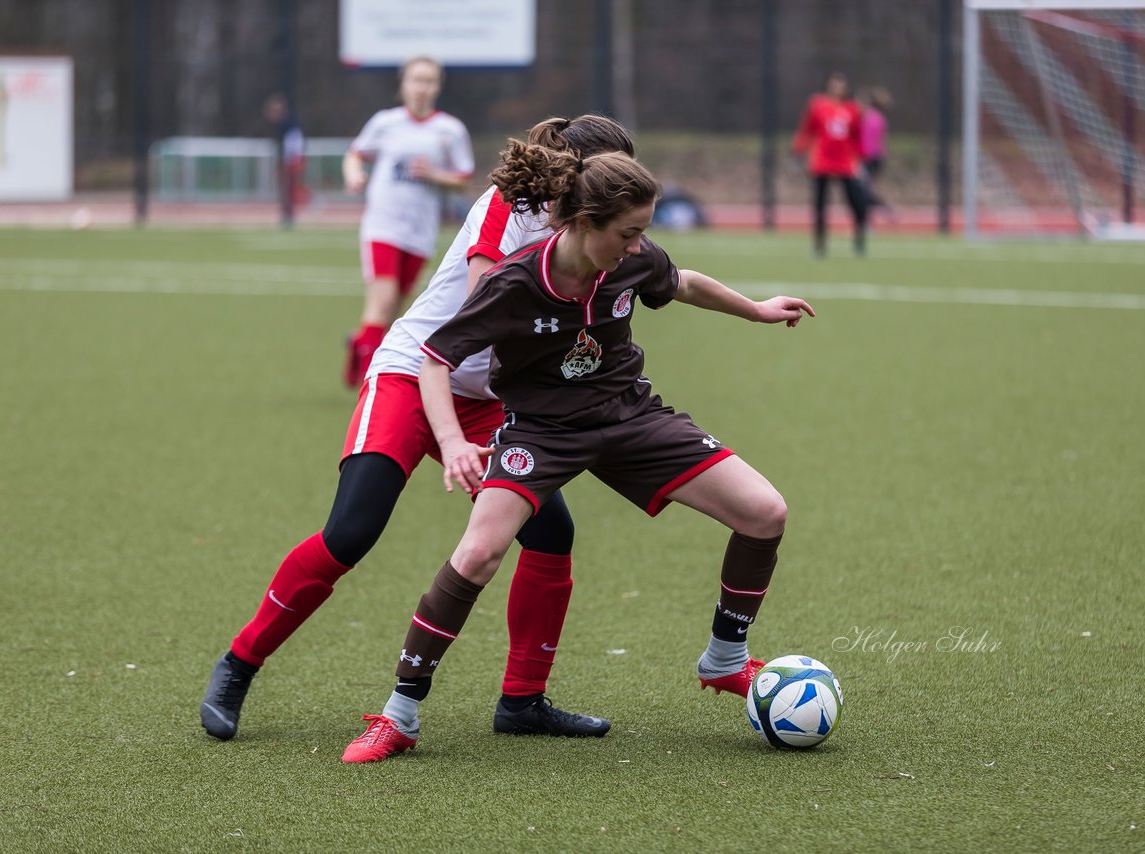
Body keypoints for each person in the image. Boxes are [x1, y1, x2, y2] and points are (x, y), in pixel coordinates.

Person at [339, 144, 814, 763]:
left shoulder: (632, 260)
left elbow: (683, 281)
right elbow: (435, 358)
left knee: (765, 512)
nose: (638, 245)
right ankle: (400, 714)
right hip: (541, 433)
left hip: (629, 416)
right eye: (628, 232)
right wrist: (453, 441)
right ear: (584, 223)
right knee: (479, 553)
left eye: (644, 232)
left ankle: (725, 658)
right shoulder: (513, 281)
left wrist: (755, 310)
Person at [200, 115, 637, 744]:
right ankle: (239, 664)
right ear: (579, 173)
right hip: (414, 374)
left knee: (550, 531)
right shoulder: (506, 207)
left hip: (486, 398)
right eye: (614, 177)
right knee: (352, 531)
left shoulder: (591, 234)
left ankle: (522, 702)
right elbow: (487, 301)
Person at [341, 56, 475, 388]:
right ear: (403, 84)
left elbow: (463, 178)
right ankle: (370, 383)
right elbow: (355, 153)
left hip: (420, 231)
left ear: (437, 87)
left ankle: (359, 344)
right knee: (383, 301)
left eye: (428, 81)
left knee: (392, 310)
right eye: (416, 80)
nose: (421, 87)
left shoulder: (450, 130)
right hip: (383, 225)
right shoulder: (385, 123)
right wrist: (355, 175)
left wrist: (434, 175)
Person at [791, 71, 869, 257]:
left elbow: (857, 137)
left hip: (845, 162)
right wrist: (798, 152)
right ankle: (819, 244)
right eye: (834, 84)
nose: (837, 88)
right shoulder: (817, 105)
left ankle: (859, 240)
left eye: (840, 85)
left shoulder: (852, 109)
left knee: (856, 202)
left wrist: (862, 160)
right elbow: (806, 130)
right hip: (822, 162)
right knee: (820, 205)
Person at [264, 93, 308, 229]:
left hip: (292, 160)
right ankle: (287, 215)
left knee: (290, 188)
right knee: (286, 189)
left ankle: (295, 212)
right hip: (287, 159)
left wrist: (292, 161)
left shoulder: (289, 124)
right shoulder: (282, 124)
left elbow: (294, 145)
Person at [860, 86, 895, 222]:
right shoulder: (879, 118)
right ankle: (875, 214)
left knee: (864, 190)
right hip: (876, 158)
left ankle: (880, 210)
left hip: (869, 158)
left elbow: (868, 141)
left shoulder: (870, 118)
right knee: (867, 189)